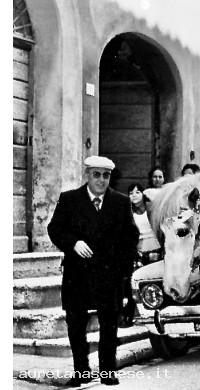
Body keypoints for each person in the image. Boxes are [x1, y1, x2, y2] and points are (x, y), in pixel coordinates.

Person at [47, 156, 139, 386]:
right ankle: (81, 372)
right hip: (78, 273)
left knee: (109, 324)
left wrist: (121, 269)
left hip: (108, 274)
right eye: (96, 174)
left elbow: (131, 237)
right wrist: (73, 242)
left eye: (105, 175)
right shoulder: (69, 199)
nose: (101, 180)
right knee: (76, 323)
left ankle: (108, 371)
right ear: (87, 174)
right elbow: (55, 228)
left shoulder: (120, 202)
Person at [120, 183, 163, 327]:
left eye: (138, 192)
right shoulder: (127, 212)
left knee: (157, 283)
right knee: (134, 282)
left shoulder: (151, 209)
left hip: (156, 249)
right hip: (138, 251)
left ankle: (159, 314)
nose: (134, 195)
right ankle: (129, 316)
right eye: (131, 193)